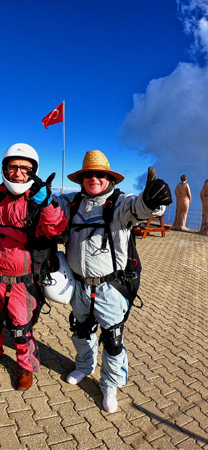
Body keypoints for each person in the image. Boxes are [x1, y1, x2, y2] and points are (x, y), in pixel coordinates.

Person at [53, 150, 172, 413]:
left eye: (100, 174)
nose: (93, 179)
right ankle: (84, 367)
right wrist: (37, 194)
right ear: (81, 179)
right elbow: (47, 206)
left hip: (110, 287)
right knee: (82, 331)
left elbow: (142, 208)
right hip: (79, 285)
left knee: (113, 339)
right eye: (88, 175)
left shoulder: (120, 203)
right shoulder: (71, 202)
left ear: (109, 178)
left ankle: (109, 384)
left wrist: (154, 200)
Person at [0, 143, 67, 390]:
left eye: (25, 169)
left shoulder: (38, 200)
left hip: (23, 281)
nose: (18, 173)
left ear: (34, 171)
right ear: (4, 169)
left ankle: (26, 366)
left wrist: (46, 204)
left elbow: (57, 230)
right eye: (13, 167)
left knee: (21, 328)